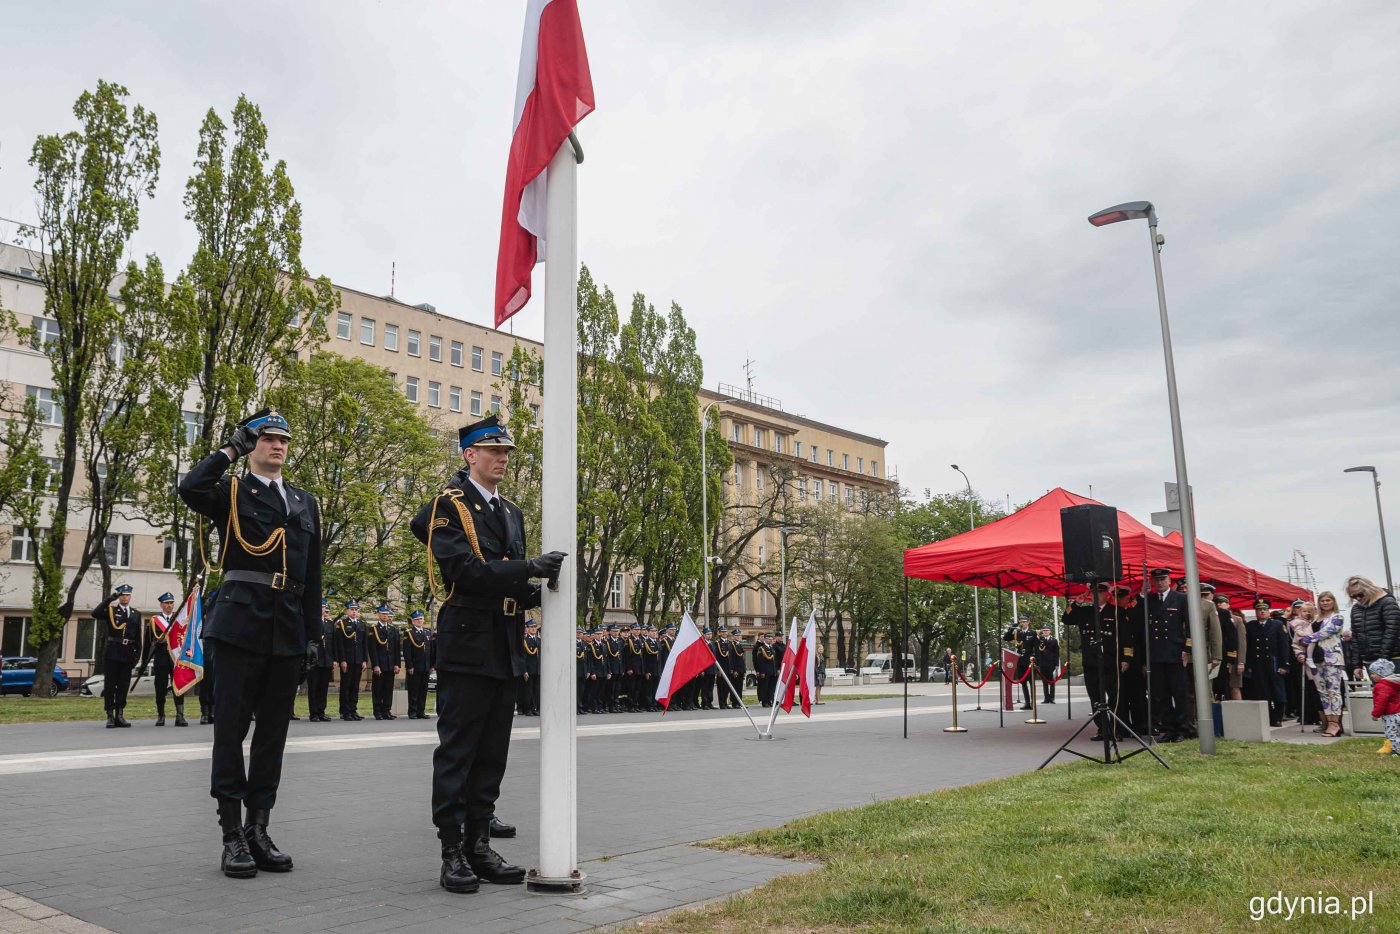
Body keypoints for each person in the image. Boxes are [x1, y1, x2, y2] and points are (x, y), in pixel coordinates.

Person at [409, 413, 565, 894]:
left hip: (505, 643)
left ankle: (479, 844)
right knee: (458, 751)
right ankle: (452, 850)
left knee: (492, 753)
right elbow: (466, 572)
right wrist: (528, 567)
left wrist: (543, 591)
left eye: (506, 452)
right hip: (468, 641)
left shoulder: (511, 512)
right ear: (469, 455)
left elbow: (511, 583)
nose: (501, 458)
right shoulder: (447, 507)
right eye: (493, 450)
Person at [178, 407, 322, 880]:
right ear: (251, 444)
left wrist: (311, 634)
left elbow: (313, 575)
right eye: (266, 438)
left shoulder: (305, 501)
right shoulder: (232, 491)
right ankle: (231, 834)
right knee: (231, 731)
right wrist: (229, 449)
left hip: (287, 629)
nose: (277, 445)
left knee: (273, 737)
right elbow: (190, 488)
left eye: (283, 439)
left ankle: (260, 828)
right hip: (240, 623)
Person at [1144, 569, 1190, 742]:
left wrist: (1187, 649)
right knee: (1160, 694)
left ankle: (1182, 729)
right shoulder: (1150, 599)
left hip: (1175, 652)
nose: (1160, 583)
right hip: (1156, 653)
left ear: (1169, 580)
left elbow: (1190, 625)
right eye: (1157, 580)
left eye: (1163, 579)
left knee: (1179, 693)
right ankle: (1168, 728)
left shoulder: (1181, 598)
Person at [93, 584, 141, 729]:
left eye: (127, 595)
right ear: (119, 597)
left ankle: (120, 714)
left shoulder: (135, 614)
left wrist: (137, 656)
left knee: (123, 685)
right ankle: (110, 715)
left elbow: (138, 637)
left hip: (127, 654)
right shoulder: (111, 611)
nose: (125, 597)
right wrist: (109, 599)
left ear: (130, 596)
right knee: (110, 685)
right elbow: (95, 614)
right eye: (122, 595)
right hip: (113, 652)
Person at [1301, 596, 1346, 737]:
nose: (1325, 603)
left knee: (1334, 691)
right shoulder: (1316, 619)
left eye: (1328, 600)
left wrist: (1310, 638)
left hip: (1332, 658)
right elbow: (1303, 634)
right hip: (1315, 659)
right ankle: (1328, 721)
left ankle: (1335, 724)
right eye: (1322, 600)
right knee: (1322, 692)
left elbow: (1328, 631)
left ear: (1333, 602)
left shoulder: (1337, 617)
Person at [141, 592, 188, 727]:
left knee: (178, 686)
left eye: (171, 603)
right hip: (161, 658)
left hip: (175, 659)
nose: (169, 605)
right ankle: (161, 715)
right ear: (161, 605)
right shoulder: (155, 621)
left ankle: (180, 715)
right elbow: (148, 643)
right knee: (160, 687)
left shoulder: (179, 619)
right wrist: (144, 662)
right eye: (166, 603)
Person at [1243, 598, 1289, 727]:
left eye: (1264, 610)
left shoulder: (1277, 625)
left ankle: (1278, 717)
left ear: (1269, 611)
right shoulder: (1250, 626)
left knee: (1277, 691)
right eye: (1259, 610)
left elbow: (1284, 646)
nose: (1262, 612)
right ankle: (1267, 716)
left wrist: (1284, 665)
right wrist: (1249, 665)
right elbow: (1249, 647)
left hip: (1274, 662)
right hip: (1258, 663)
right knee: (1262, 691)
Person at [1348, 575, 1399, 681]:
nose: (1357, 598)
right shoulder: (1356, 609)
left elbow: (1392, 631)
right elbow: (1356, 637)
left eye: (1360, 594)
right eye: (1353, 596)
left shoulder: (1387, 602)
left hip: (1392, 658)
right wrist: (1357, 665)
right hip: (1370, 660)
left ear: (1369, 589)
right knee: (1380, 695)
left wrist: (1382, 659)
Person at [366, 605, 401, 720]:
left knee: (388, 689)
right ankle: (377, 711)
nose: (385, 616)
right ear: (378, 614)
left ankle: (387, 710)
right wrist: (375, 665)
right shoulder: (374, 629)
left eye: (387, 614)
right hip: (380, 664)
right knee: (378, 689)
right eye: (383, 614)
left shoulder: (393, 630)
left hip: (390, 665)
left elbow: (396, 649)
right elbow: (372, 649)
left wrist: (397, 664)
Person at [334, 601, 367, 721]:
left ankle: (353, 710)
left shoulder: (362, 624)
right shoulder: (341, 624)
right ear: (347, 611)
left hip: (358, 660)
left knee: (355, 686)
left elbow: (364, 644)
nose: (354, 612)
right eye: (352, 609)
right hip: (347, 660)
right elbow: (340, 644)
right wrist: (342, 659)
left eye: (356, 610)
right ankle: (345, 711)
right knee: (346, 686)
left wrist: (364, 660)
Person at [305, 601, 336, 722]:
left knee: (323, 688)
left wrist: (335, 659)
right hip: (314, 660)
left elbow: (333, 643)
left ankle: (321, 711)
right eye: (322, 607)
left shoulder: (330, 623)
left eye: (324, 607)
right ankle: (313, 713)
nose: (324, 609)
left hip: (327, 660)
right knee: (313, 687)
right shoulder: (311, 622)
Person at [1367, 659, 1400, 757]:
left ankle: (1397, 751)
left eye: (1373, 673)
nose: (1371, 676)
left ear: (1381, 673)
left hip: (1390, 715)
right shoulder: (1394, 683)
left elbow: (1381, 702)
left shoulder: (1382, 686)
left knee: (1391, 734)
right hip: (1398, 712)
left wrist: (1375, 714)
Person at [1004, 615, 1035, 710]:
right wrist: (1012, 627)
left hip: (1030, 659)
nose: (1023, 623)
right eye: (1021, 622)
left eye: (1025, 621)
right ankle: (1027, 702)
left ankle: (1033, 702)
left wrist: (1035, 658)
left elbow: (1037, 647)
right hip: (1020, 659)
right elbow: (1006, 638)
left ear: (1028, 622)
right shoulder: (1017, 632)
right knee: (1023, 682)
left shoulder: (1032, 633)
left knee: (1031, 682)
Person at [517, 619, 540, 717]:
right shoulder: (525, 641)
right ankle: (528, 709)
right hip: (529, 669)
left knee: (536, 690)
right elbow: (523, 657)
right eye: (531, 627)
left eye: (535, 627)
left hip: (537, 669)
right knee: (528, 690)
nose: (534, 629)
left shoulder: (539, 641)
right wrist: (524, 670)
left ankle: (535, 708)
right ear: (528, 628)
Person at [1035, 624, 1060, 704]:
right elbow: (1037, 649)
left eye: (1047, 630)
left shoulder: (1054, 640)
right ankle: (1046, 698)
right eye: (1044, 630)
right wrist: (1038, 635)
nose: (1045, 632)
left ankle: (1052, 698)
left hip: (1051, 663)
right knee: (1044, 681)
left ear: (1050, 631)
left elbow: (1056, 653)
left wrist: (1057, 664)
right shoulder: (1040, 639)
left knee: (1051, 681)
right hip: (1042, 663)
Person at [753, 632, 777, 707]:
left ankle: (769, 700)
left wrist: (775, 670)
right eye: (769, 639)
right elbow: (761, 662)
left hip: (772, 671)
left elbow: (774, 661)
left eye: (771, 639)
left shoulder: (771, 647)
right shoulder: (762, 648)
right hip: (765, 671)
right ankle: (764, 701)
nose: (770, 640)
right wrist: (762, 672)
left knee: (771, 687)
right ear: (765, 639)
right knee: (765, 687)